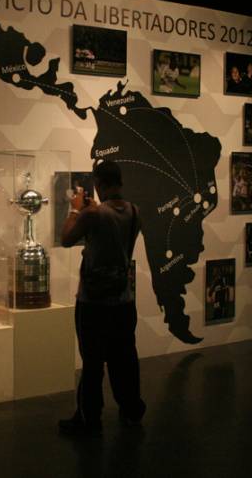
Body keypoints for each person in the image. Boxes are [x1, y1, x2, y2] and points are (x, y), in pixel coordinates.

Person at [59, 160, 145, 436]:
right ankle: (131, 410)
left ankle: (89, 418)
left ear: (98, 183)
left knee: (93, 363)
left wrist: (74, 208)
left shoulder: (93, 214)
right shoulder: (135, 212)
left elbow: (66, 239)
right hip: (123, 300)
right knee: (125, 358)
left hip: (93, 303)